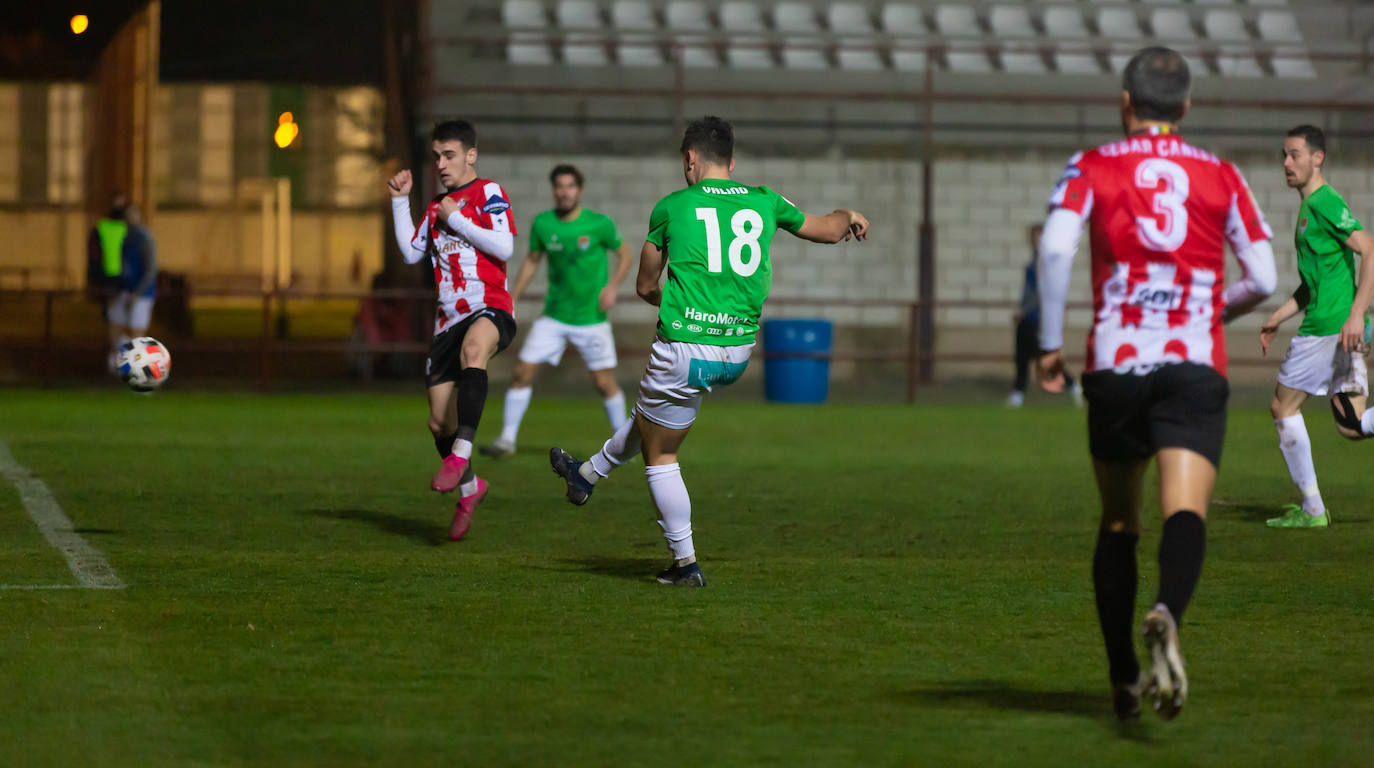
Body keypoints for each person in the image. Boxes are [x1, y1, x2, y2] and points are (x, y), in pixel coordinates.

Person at [1036, 47, 1276, 721]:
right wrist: (1208, 310)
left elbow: (1056, 247)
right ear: (1187, 107)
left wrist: (1050, 348)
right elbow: (1263, 274)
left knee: (1118, 522)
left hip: (1116, 361)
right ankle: (1168, 610)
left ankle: (1122, 679)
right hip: (1194, 364)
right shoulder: (1221, 173)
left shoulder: (1093, 164)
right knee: (1185, 512)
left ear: (1125, 101)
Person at [548, 116, 869, 586]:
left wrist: (677, 302)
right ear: (733, 163)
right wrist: (850, 215)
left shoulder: (671, 207)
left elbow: (643, 285)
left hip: (684, 348)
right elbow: (824, 228)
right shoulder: (764, 200)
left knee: (660, 454)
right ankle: (587, 474)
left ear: (689, 159)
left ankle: (685, 564)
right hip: (737, 350)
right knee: (651, 417)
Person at [387, 120, 518, 541]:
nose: (441, 164)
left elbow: (505, 247)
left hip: (489, 307)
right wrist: (400, 202)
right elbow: (411, 252)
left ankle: (461, 456)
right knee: (438, 423)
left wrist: (458, 219)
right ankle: (470, 488)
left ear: (470, 156)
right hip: (447, 322)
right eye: (437, 156)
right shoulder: (434, 208)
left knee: (475, 353)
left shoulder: (488, 193)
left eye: (449, 155)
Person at [1258, 125, 1374, 529]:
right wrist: (1278, 316)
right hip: (1337, 325)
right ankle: (1312, 510)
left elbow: (1369, 247)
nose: (1287, 163)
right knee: (1352, 426)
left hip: (1330, 327)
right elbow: (1313, 285)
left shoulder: (1324, 202)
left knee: (1282, 406)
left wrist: (1358, 311)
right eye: (1284, 156)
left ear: (1317, 158)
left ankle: (1313, 510)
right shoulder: (1309, 211)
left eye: (1295, 155)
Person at [481, 164, 635, 458]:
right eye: (559, 186)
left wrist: (613, 286)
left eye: (570, 186)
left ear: (580, 190)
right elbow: (532, 259)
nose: (564, 192)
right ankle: (507, 440)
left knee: (604, 383)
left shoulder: (599, 224)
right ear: (553, 190)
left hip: (592, 318)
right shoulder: (543, 224)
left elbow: (625, 253)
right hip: (554, 315)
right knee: (521, 373)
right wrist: (512, 295)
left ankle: (623, 442)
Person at [1008, 223, 1080, 408]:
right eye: (1034, 237)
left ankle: (1072, 385)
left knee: (1043, 357)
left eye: (1040, 237)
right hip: (1028, 318)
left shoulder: (1045, 264)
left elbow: (1040, 293)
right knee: (1022, 357)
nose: (1036, 241)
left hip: (1038, 319)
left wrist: (1023, 311)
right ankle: (1017, 394)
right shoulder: (1032, 263)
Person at [109, 204, 158, 352]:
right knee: (116, 325)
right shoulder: (125, 237)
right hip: (124, 290)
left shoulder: (144, 238)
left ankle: (137, 368)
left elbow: (150, 269)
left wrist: (137, 292)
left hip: (141, 294)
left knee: (137, 332)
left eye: (133, 214)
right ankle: (118, 361)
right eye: (127, 215)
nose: (130, 218)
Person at [87, 192, 127, 372]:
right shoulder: (106, 229)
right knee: (115, 323)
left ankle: (118, 362)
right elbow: (94, 257)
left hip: (119, 283)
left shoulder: (102, 228)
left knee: (119, 323)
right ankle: (115, 363)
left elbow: (93, 258)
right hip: (114, 283)